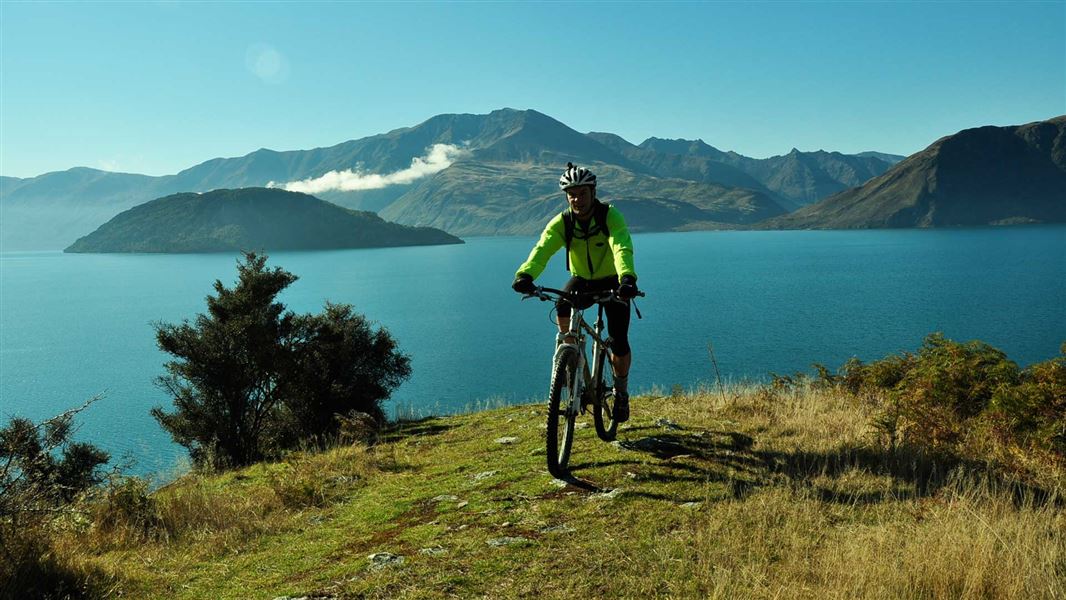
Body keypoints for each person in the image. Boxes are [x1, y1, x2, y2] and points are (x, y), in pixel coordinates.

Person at [512, 162, 640, 422]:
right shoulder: (563, 222)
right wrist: (525, 274)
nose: (577, 199)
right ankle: (568, 356)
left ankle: (621, 393)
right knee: (562, 304)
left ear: (593, 192)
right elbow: (543, 249)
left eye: (582, 193)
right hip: (581, 280)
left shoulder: (609, 215)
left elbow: (621, 246)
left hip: (614, 281)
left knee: (619, 341)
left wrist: (627, 278)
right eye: (571, 194)